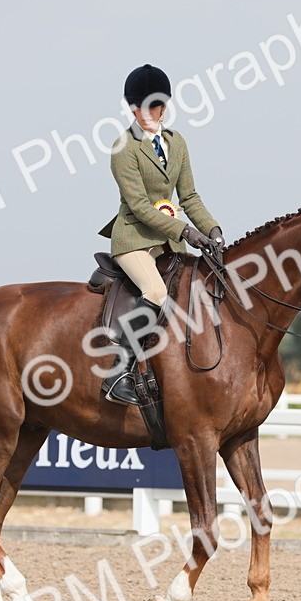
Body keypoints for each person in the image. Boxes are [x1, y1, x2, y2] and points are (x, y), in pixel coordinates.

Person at [97, 64, 224, 405]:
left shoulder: (176, 143)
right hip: (134, 239)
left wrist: (212, 229)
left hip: (168, 241)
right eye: (140, 107)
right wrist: (185, 230)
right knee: (155, 291)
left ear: (164, 107)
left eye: (155, 106)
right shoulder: (124, 147)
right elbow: (139, 206)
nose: (148, 114)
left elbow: (189, 197)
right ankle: (118, 373)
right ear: (131, 108)